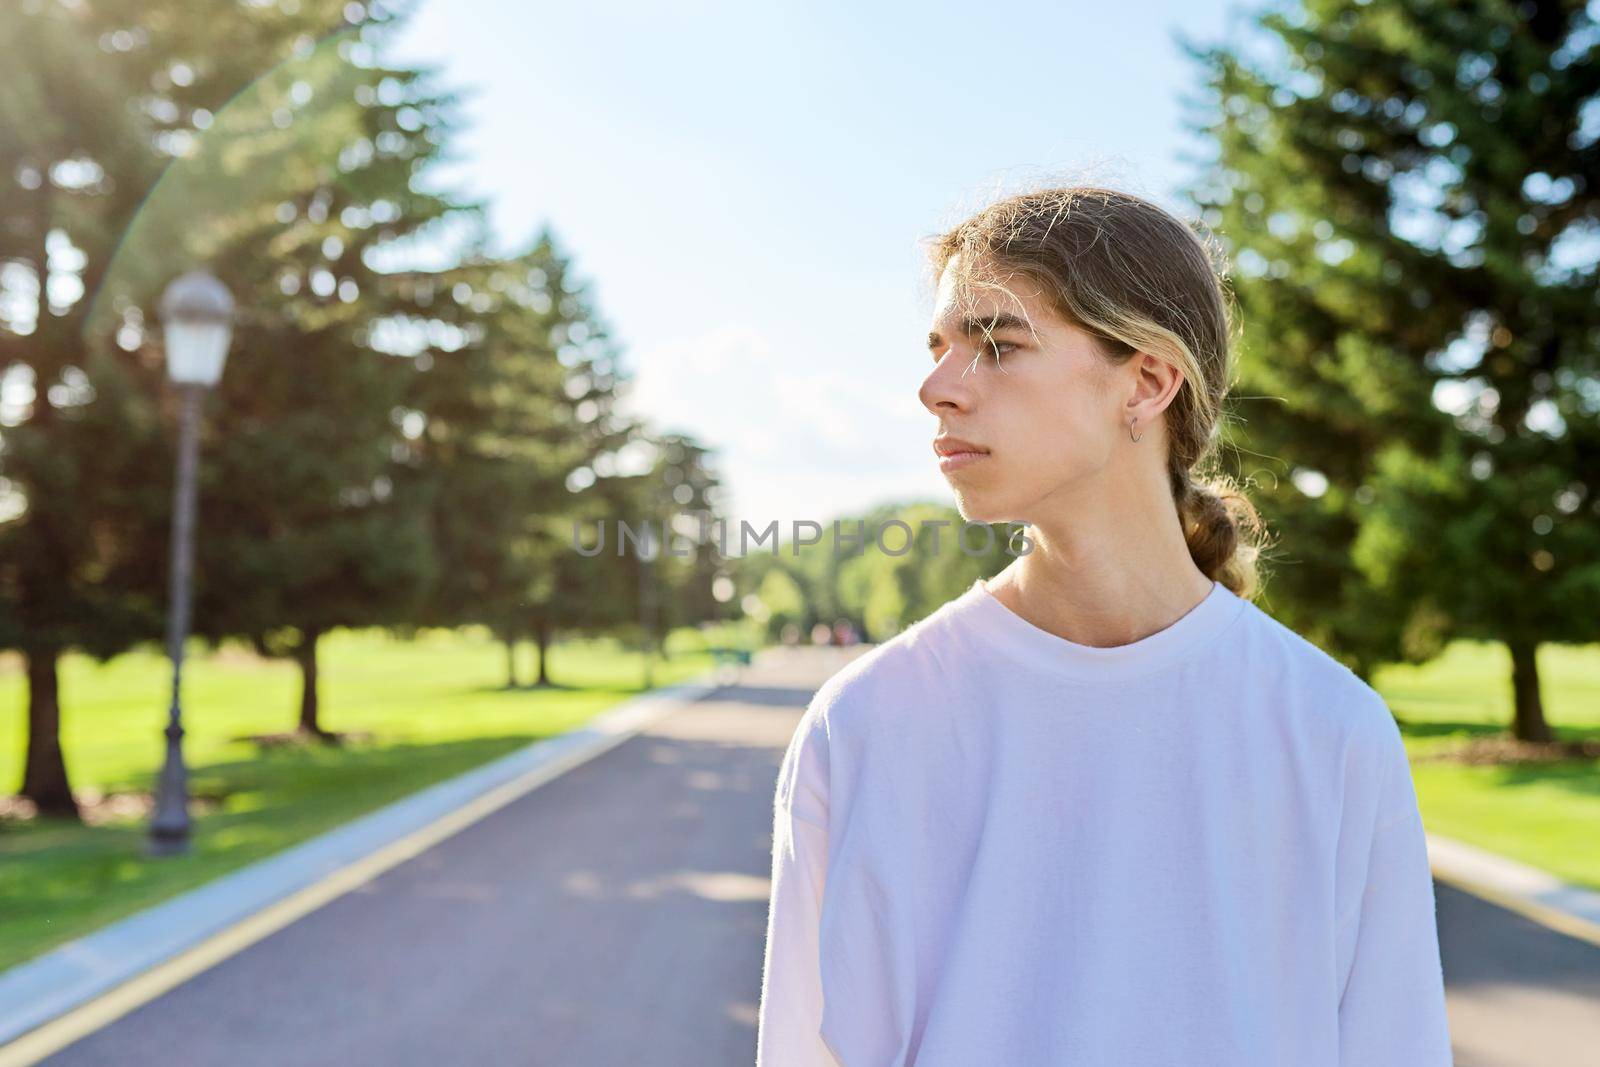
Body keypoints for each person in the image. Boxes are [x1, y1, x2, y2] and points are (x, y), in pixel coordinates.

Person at [754, 186, 1453, 1065]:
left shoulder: (1333, 732)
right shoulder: (865, 722)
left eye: (997, 344)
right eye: (938, 348)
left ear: (1148, 382)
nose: (935, 388)